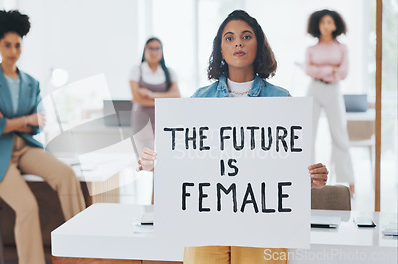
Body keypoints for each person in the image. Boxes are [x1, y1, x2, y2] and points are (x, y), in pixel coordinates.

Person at [137, 10, 328, 264]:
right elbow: (188, 162)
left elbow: (285, 167)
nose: (237, 43)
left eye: (246, 36)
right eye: (229, 38)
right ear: (221, 49)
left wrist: (311, 177)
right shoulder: (200, 100)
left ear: (258, 44)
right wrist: (158, 164)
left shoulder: (281, 100)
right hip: (205, 225)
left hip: (263, 225)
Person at [0, 10, 85, 264]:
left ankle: (81, 248)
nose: (13, 50)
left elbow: (39, 124)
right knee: (27, 207)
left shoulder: (32, 83)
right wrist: (24, 120)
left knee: (67, 175)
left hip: (25, 148)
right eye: (7, 45)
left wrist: (9, 121)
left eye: (18, 45)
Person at [305, 9, 354, 194]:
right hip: (314, 89)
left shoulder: (342, 48)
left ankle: (347, 181)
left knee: (339, 134)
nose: (326, 25)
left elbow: (343, 73)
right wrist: (330, 68)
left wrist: (321, 69)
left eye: (330, 22)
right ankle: (308, 178)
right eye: (323, 22)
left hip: (333, 90)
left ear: (335, 25)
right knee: (308, 134)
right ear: (317, 24)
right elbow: (308, 70)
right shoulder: (311, 49)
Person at [130, 37, 180, 154]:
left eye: (157, 49)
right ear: (144, 51)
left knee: (164, 154)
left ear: (162, 52)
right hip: (142, 120)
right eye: (150, 48)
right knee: (146, 155)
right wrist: (161, 101)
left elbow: (176, 95)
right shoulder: (137, 70)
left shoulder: (169, 72)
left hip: (164, 118)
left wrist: (151, 94)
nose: (154, 52)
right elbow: (137, 98)